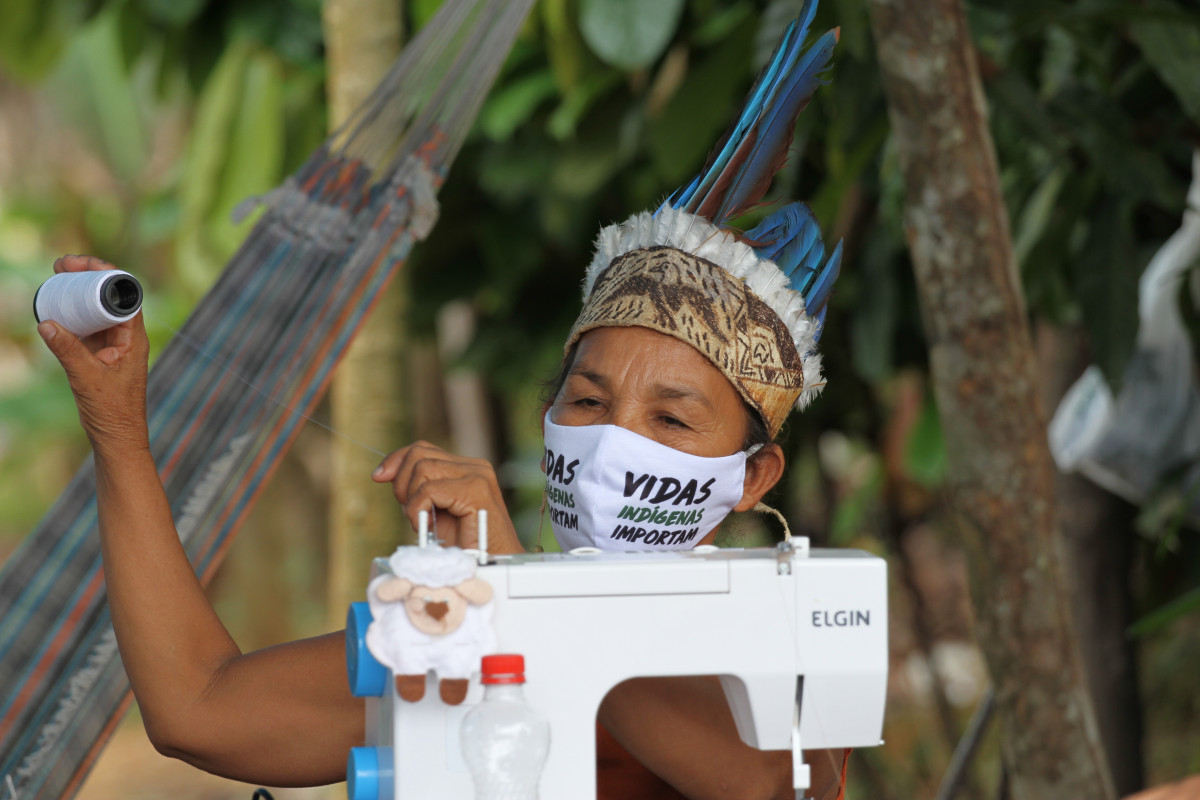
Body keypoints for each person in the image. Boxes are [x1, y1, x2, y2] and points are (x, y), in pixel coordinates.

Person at [36, 6, 850, 797]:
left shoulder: (797, 630)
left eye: (670, 419)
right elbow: (200, 710)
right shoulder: (461, 623)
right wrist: (118, 425)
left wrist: (521, 591)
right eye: (589, 401)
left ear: (753, 475)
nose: (612, 443)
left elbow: (760, 784)